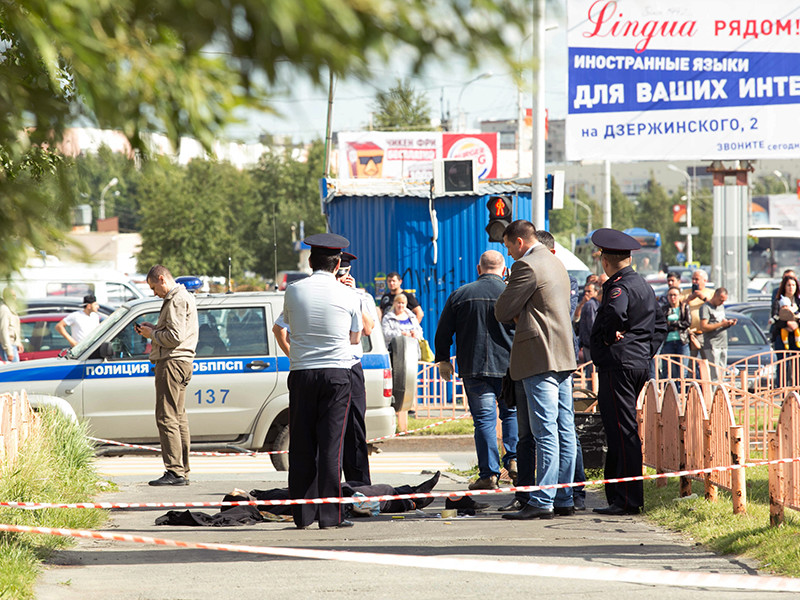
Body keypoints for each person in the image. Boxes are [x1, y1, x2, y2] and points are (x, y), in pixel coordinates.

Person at [494, 220, 578, 520]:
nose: (509, 253)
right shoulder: (556, 262)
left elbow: (502, 310)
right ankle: (564, 497)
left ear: (519, 242)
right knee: (565, 429)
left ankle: (542, 500)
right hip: (563, 354)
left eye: (508, 246)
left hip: (539, 356)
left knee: (545, 431)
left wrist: (516, 304)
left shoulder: (526, 266)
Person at [271, 251, 375, 485]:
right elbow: (279, 328)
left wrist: (353, 296)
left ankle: (358, 487)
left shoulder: (357, 295)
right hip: (330, 370)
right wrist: (293, 354)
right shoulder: (309, 293)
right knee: (324, 438)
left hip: (350, 366)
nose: (341, 276)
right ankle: (326, 491)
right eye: (339, 272)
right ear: (334, 267)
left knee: (354, 431)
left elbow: (368, 329)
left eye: (346, 273)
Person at [282, 233, 362, 530]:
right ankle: (330, 517)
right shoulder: (350, 294)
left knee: (301, 444)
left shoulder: (293, 290)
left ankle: (302, 516)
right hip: (336, 374)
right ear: (338, 264)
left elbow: (288, 327)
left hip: (302, 372)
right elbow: (355, 337)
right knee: (331, 446)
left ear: (309, 261)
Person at [589, 228, 666, 516]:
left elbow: (614, 313)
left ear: (604, 260)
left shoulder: (618, 287)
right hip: (635, 364)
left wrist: (611, 338)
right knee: (620, 429)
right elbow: (661, 325)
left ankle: (626, 500)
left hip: (618, 365)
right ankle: (618, 496)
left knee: (622, 431)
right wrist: (643, 351)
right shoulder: (643, 284)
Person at [433, 250, 517, 491]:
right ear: (504, 270)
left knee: (484, 422)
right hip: (509, 368)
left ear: (478, 269)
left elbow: (443, 331)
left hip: (474, 367)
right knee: (511, 414)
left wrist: (443, 359)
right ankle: (514, 461)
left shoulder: (460, 294)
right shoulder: (511, 293)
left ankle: (489, 475)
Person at [136, 265, 199, 486]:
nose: (154, 293)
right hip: (181, 362)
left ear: (162, 279)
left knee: (167, 417)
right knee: (178, 417)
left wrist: (152, 334)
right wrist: (154, 328)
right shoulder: (182, 297)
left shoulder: (176, 299)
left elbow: (174, 337)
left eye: (154, 287)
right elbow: (175, 331)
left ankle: (174, 471)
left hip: (172, 362)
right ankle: (182, 470)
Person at [698, 287, 736, 381]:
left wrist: (728, 323)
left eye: (724, 301)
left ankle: (720, 390)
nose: (722, 303)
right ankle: (713, 390)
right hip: (712, 344)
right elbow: (704, 327)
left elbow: (720, 322)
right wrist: (721, 324)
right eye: (720, 300)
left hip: (723, 344)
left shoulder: (721, 307)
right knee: (714, 375)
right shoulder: (706, 308)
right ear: (715, 295)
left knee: (722, 374)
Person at [659, 287, 691, 379]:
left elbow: (687, 323)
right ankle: (671, 387)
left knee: (683, 370)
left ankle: (681, 387)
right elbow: (663, 325)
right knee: (669, 370)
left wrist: (672, 323)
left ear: (680, 296)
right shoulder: (664, 309)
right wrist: (676, 325)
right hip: (668, 342)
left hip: (682, 341)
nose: (673, 297)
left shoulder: (684, 307)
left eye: (675, 295)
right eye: (670, 295)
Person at [684, 269, 714, 360]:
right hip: (690, 334)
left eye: (696, 279)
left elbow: (715, 307)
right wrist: (689, 299)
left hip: (705, 334)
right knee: (690, 362)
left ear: (705, 280)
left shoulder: (711, 293)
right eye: (693, 279)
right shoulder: (685, 293)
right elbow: (678, 306)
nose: (694, 281)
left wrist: (703, 298)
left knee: (707, 361)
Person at [772, 274, 800, 351]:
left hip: (797, 337)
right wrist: (787, 324)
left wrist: (796, 324)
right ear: (784, 286)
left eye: (793, 285)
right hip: (781, 336)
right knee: (783, 357)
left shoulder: (798, 301)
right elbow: (775, 318)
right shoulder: (778, 301)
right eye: (789, 285)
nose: (791, 287)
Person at [578, 282, 599, 366]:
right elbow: (592, 325)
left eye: (589, 291)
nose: (586, 293)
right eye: (585, 291)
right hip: (589, 344)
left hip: (591, 344)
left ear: (596, 292)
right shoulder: (590, 304)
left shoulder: (592, 304)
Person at [0, 287, 23, 363]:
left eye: (14, 295)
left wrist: (18, 342)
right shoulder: (4, 309)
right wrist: (9, 351)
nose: (13, 298)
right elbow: (3, 331)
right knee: (14, 369)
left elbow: (14, 328)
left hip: (13, 344)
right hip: (8, 346)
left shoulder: (11, 309)